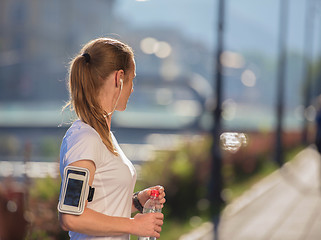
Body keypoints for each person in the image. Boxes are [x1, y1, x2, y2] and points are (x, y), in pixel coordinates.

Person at [58, 37, 165, 240]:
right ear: (119, 78)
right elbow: (71, 217)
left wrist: (136, 203)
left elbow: (100, 204)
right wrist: (134, 226)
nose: (132, 89)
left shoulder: (102, 137)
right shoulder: (84, 138)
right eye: (132, 79)